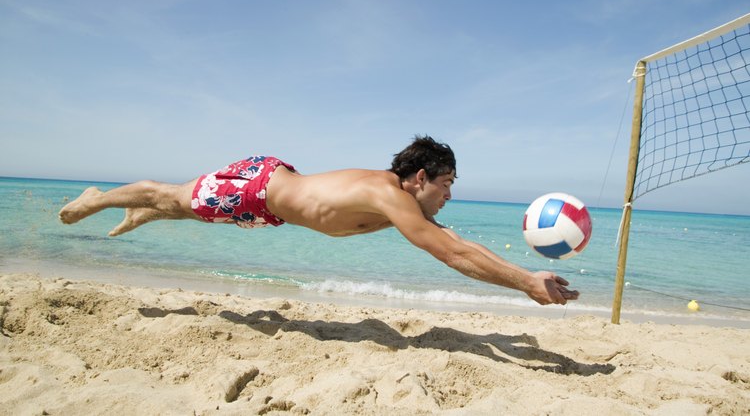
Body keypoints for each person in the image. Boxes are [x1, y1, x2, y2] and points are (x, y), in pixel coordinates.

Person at [59, 136, 579, 305]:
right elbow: (453, 254)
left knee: (185, 212)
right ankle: (99, 197)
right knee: (171, 196)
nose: (448, 197)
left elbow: (458, 241)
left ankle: (138, 215)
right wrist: (526, 285)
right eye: (446, 185)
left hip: (268, 208)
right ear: (419, 178)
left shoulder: (402, 202)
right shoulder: (390, 196)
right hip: (258, 187)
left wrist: (529, 276)